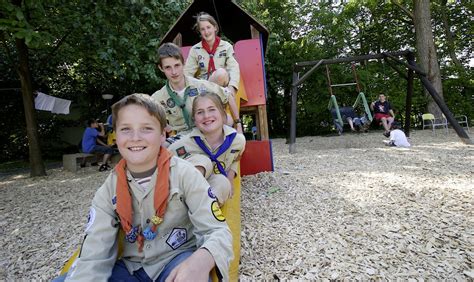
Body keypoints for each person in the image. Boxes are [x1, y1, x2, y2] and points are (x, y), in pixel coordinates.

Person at [57, 94, 233, 281]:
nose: (135, 138)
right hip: (131, 267)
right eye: (125, 129)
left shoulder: (185, 175)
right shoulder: (109, 189)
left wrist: (202, 260)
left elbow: (217, 230)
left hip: (176, 260)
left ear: (162, 135)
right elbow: (94, 253)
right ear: (115, 136)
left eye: (146, 128)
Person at [151, 43, 242, 146]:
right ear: (161, 68)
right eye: (168, 67)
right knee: (162, 147)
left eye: (177, 65)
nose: (174, 72)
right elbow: (148, 117)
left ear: (183, 63)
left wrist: (238, 124)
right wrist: (167, 129)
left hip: (204, 133)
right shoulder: (158, 97)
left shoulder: (200, 86)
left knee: (228, 121)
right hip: (182, 137)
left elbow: (228, 95)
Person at [169, 93, 245, 206]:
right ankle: (183, 209)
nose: (206, 116)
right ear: (194, 120)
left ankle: (205, 211)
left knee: (223, 183)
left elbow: (236, 158)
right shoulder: (183, 144)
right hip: (183, 194)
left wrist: (230, 178)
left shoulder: (237, 141)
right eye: (200, 112)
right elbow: (164, 164)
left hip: (212, 187)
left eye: (212, 109)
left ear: (223, 113)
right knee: (203, 162)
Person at [184, 12, 240, 100]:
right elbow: (187, 73)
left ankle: (208, 99)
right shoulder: (195, 50)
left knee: (221, 74)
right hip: (202, 86)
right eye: (202, 29)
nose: (206, 32)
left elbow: (233, 68)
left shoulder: (226, 46)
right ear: (199, 31)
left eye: (208, 27)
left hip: (222, 83)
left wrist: (232, 86)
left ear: (215, 27)